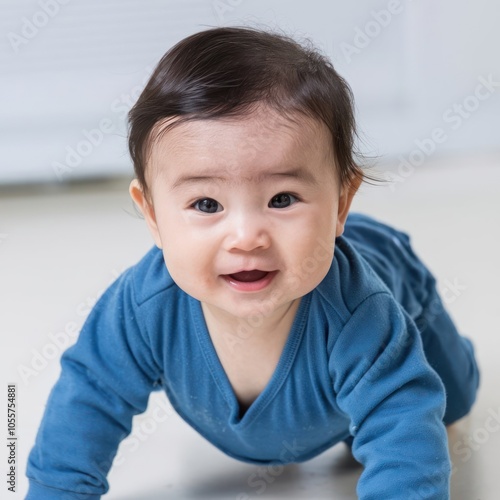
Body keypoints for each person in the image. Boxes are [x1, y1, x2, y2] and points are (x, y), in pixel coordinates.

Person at [26, 26, 480, 499]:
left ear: (341, 203)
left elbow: (400, 432)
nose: (245, 237)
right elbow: (88, 399)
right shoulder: (142, 309)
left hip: (394, 273)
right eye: (206, 204)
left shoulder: (362, 317)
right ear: (154, 215)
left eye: (282, 199)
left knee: (448, 402)